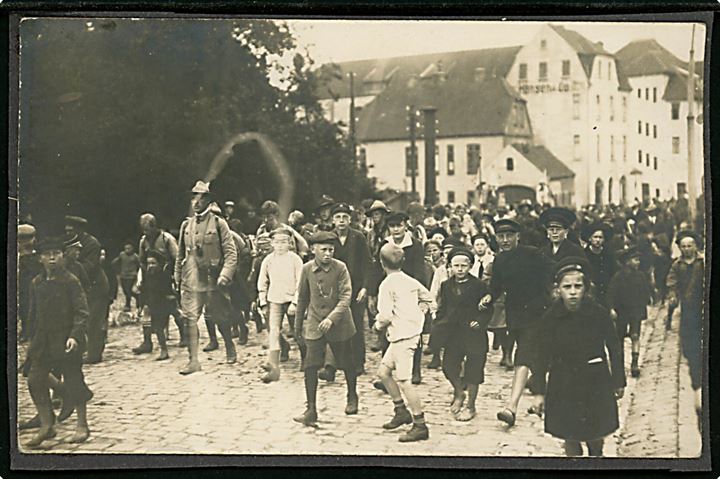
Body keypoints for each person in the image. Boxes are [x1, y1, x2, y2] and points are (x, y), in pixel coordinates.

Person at [532, 256, 626, 457]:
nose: (573, 292)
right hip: (563, 381)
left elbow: (614, 347)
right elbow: (540, 356)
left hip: (595, 380)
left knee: (595, 433)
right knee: (570, 434)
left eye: (578, 286)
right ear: (558, 289)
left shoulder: (598, 314)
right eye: (567, 287)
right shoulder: (550, 318)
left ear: (586, 288)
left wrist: (618, 380)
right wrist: (539, 392)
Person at [22, 237, 93, 447]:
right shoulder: (37, 283)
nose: (52, 258)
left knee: (73, 379)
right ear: (40, 258)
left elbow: (82, 312)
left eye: (56, 253)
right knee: (34, 379)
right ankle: (47, 425)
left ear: (63, 256)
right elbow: (33, 314)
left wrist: (74, 336)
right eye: (47, 254)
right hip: (43, 339)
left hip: (66, 339)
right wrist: (30, 338)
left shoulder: (71, 281)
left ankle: (82, 426)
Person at [483, 218, 554, 427]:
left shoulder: (531, 253)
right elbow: (496, 286)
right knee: (534, 357)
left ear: (517, 236)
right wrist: (489, 297)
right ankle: (540, 398)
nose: (504, 240)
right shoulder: (500, 261)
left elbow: (553, 270)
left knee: (524, 356)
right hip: (516, 316)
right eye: (500, 237)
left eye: (509, 236)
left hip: (539, 313)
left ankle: (511, 407)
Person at [293, 231, 359, 426]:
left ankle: (352, 395)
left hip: (340, 323)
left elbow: (346, 297)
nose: (328, 253)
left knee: (346, 362)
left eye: (331, 249)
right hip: (315, 323)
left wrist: (332, 318)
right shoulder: (306, 269)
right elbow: (303, 298)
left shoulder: (341, 268)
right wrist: (298, 328)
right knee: (310, 365)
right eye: (324, 250)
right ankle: (311, 409)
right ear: (313, 250)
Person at [174, 180, 238, 375]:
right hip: (192, 281)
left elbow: (231, 253)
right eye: (194, 197)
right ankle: (193, 360)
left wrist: (225, 275)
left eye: (201, 197)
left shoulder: (219, 223)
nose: (197, 201)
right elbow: (180, 255)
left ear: (208, 200)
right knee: (189, 320)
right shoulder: (187, 225)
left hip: (213, 280)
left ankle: (229, 346)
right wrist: (177, 278)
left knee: (220, 318)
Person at [374, 243, 435, 442]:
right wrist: (421, 310)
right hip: (406, 334)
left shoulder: (386, 284)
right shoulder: (410, 280)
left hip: (403, 337)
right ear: (403, 261)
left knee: (404, 381)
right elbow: (430, 298)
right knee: (383, 372)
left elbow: (384, 316)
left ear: (382, 263)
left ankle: (420, 424)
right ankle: (401, 411)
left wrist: (377, 326)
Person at [431, 248, 493, 422]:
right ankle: (459, 392)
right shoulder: (446, 285)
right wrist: (438, 324)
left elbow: (488, 310)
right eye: (455, 265)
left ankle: (471, 406)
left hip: (473, 333)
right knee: (448, 366)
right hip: (453, 333)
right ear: (449, 266)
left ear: (470, 266)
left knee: (474, 371)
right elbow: (443, 308)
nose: (459, 269)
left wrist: (480, 321)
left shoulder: (479, 286)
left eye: (463, 266)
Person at [318, 203, 371, 379]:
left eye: (345, 217)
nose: (341, 221)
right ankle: (330, 366)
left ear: (350, 220)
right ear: (333, 220)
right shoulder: (328, 238)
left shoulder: (358, 237)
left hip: (355, 290)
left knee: (355, 326)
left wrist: (365, 287)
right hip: (334, 289)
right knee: (332, 325)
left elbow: (366, 264)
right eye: (338, 217)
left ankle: (358, 362)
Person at [666, 230, 704, 422]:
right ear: (679, 248)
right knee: (689, 336)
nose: (687, 249)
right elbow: (671, 282)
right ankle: (691, 353)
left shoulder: (702, 262)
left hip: (703, 306)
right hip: (688, 309)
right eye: (684, 246)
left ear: (696, 246)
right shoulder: (677, 265)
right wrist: (673, 295)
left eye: (690, 245)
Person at [257, 227, 303, 382]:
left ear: (289, 243)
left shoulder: (295, 259)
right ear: (272, 243)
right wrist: (263, 302)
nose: (281, 245)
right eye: (277, 242)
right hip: (274, 299)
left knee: (298, 331)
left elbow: (300, 283)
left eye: (284, 242)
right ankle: (273, 364)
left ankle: (306, 358)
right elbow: (262, 282)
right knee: (274, 331)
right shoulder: (268, 260)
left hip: (290, 300)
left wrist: (295, 302)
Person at [65, 216, 109, 364]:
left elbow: (89, 267)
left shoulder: (92, 244)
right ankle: (85, 350)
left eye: (71, 230)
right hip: (82, 287)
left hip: (96, 288)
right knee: (83, 320)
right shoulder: (68, 242)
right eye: (67, 230)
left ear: (80, 230)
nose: (68, 232)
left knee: (94, 321)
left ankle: (94, 354)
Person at [136, 213, 183, 350]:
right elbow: (142, 261)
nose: (146, 232)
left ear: (154, 226)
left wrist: (176, 278)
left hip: (166, 280)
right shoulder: (143, 241)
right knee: (147, 309)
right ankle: (147, 341)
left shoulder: (166, 239)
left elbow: (177, 259)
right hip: (151, 280)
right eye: (143, 229)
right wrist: (142, 280)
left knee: (173, 308)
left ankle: (184, 335)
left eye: (148, 229)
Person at [607, 246, 652, 378]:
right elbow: (610, 293)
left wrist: (647, 299)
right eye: (635, 260)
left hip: (636, 310)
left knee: (635, 336)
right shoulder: (618, 276)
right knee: (619, 337)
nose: (637, 263)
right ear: (627, 262)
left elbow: (645, 290)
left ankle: (634, 363)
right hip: (622, 311)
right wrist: (611, 308)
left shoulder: (641, 275)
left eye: (638, 260)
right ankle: (619, 364)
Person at [137, 249, 175, 361]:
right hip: (152, 304)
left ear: (159, 264)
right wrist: (141, 305)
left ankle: (166, 349)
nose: (151, 266)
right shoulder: (147, 276)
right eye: (149, 263)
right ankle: (161, 348)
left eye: (153, 263)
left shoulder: (164, 275)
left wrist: (170, 298)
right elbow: (144, 291)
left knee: (163, 325)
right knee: (157, 327)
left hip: (163, 304)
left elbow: (168, 290)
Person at [18, 224, 43, 343]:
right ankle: (26, 330)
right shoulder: (18, 254)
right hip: (22, 286)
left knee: (33, 306)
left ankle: (31, 331)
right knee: (23, 307)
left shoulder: (36, 255)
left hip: (33, 285)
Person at [581, 222, 617, 304]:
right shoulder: (584, 255)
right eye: (595, 237)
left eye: (600, 237)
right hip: (590, 293)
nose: (598, 240)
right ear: (590, 239)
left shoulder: (608, 254)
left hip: (606, 291)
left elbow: (613, 271)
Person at [112, 242, 141, 312]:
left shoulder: (135, 256)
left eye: (129, 248)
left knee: (129, 290)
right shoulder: (122, 255)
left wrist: (137, 273)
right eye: (126, 248)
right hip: (123, 275)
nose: (127, 250)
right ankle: (137, 298)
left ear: (132, 249)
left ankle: (128, 305)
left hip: (131, 276)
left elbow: (139, 264)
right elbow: (117, 261)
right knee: (125, 290)